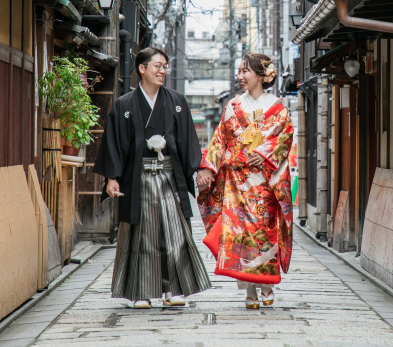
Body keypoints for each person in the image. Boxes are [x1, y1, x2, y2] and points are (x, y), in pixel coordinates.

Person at [94, 47, 211, 309]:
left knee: (174, 233)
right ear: (142, 69)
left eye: (165, 66)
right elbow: (114, 143)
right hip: (138, 178)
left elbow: (188, 140)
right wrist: (112, 178)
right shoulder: (124, 105)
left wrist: (199, 168)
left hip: (169, 175)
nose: (162, 71)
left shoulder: (177, 101)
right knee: (142, 235)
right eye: (157, 65)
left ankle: (175, 289)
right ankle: (140, 292)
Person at [196, 53, 294, 309]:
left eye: (245, 71)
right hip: (237, 184)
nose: (240, 76)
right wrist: (207, 167)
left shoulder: (279, 107)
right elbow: (220, 140)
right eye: (239, 71)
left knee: (264, 234)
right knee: (240, 236)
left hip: (265, 181)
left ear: (261, 75)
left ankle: (268, 285)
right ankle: (249, 288)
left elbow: (285, 138)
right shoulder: (232, 106)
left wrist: (264, 155)